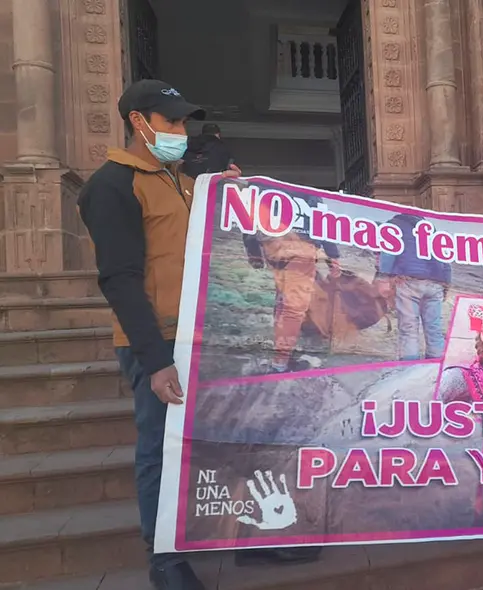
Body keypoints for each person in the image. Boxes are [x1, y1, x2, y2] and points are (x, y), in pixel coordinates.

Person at [77, 80, 315, 590]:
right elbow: (118, 277)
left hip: (205, 337)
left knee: (232, 436)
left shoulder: (184, 183)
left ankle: (250, 535)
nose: (181, 132)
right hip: (158, 342)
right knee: (160, 450)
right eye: (171, 122)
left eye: (184, 122)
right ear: (139, 122)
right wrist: (154, 359)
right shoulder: (113, 185)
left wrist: (220, 191)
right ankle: (163, 558)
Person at [243, 194, 343, 373]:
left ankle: (283, 355)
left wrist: (253, 251)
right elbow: (322, 224)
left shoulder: (260, 189)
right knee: (294, 308)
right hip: (300, 247)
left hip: (271, 246)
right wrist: (332, 256)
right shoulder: (308, 195)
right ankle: (280, 362)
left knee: (283, 302)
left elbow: (247, 218)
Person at [378, 213, 451, 360]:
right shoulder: (429, 227)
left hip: (409, 283)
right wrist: (446, 281)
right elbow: (444, 256)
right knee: (434, 328)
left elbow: (388, 253)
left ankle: (410, 368)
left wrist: (385, 275)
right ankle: (436, 365)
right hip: (434, 283)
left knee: (409, 329)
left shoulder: (394, 224)